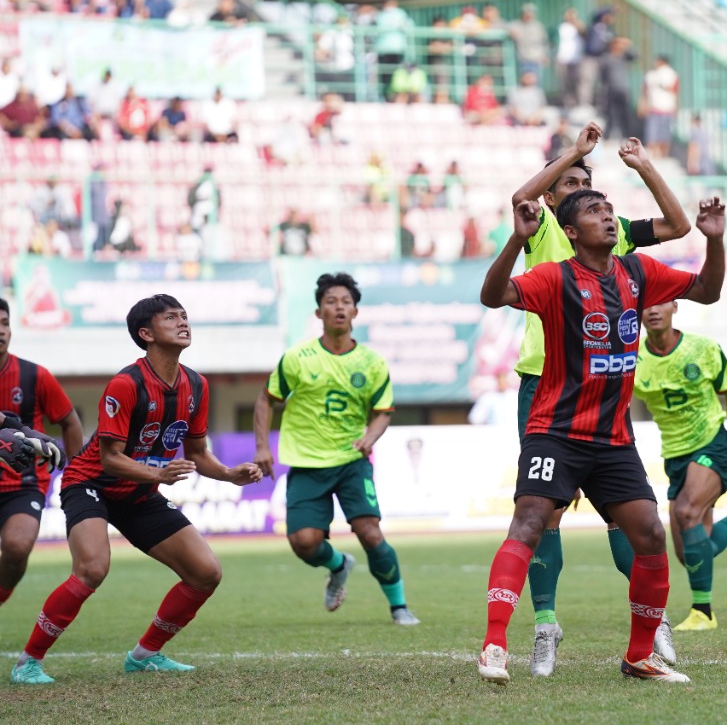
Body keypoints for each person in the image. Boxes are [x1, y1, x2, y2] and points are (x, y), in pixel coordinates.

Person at [476, 191, 726, 685]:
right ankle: (494, 646)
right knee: (529, 523)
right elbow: (492, 295)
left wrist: (715, 242)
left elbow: (706, 291)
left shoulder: (637, 272)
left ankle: (640, 656)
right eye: (594, 212)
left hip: (613, 440)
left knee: (651, 535)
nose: (608, 217)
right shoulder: (555, 277)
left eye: (609, 210)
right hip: (556, 433)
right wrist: (516, 240)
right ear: (570, 232)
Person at [508, 122, 693, 677]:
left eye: (588, 184)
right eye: (567, 184)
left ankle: (651, 619)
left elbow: (680, 226)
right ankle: (546, 625)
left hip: (603, 394)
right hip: (543, 386)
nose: (579, 190)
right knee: (543, 517)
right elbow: (522, 198)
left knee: (628, 518)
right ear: (551, 198)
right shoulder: (540, 230)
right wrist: (573, 153)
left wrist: (643, 167)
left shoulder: (616, 240)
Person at [9, 295, 263, 684]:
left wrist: (230, 474)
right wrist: (158, 475)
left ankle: (145, 655)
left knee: (206, 572)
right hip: (91, 483)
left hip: (139, 491)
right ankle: (28, 661)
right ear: (146, 334)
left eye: (184, 316)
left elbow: (197, 453)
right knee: (92, 568)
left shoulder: (196, 384)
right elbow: (110, 459)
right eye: (171, 318)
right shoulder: (126, 384)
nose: (182, 322)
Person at [253, 273, 417, 625]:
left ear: (355, 311)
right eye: (331, 301)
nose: (338, 307)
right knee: (304, 542)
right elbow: (266, 399)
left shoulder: (372, 363)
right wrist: (262, 447)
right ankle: (339, 565)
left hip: (351, 462)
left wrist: (371, 436)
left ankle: (399, 607)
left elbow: (383, 411)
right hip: (307, 464)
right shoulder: (298, 357)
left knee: (370, 533)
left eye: (345, 301)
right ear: (318, 312)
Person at [633, 300, 727, 630]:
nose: (653, 310)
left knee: (686, 512)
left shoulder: (703, 349)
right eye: (646, 304)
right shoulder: (632, 359)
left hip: (713, 445)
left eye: (661, 302)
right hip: (675, 457)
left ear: (675, 307)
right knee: (691, 553)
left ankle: (703, 612)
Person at [0, 299, 84, 613]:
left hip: (24, 482)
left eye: (5, 323)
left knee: (17, 546)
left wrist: (75, 476)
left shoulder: (34, 375)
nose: (1, 331)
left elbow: (70, 421)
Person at [640, 55, 679, 158]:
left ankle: (662, 153)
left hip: (666, 108)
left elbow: (674, 91)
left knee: (663, 133)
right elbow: (645, 91)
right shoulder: (651, 75)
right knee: (654, 133)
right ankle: (655, 153)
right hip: (655, 108)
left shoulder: (671, 74)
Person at [600, 37, 636, 141]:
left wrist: (629, 45)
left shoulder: (624, 57)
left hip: (623, 89)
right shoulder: (607, 58)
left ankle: (627, 135)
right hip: (611, 89)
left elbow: (635, 55)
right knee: (610, 113)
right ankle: (607, 136)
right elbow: (603, 75)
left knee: (625, 113)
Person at [508, 3, 549, 79]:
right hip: (523, 60)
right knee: (525, 83)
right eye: (526, 13)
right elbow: (505, 28)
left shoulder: (538, 26)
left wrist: (545, 55)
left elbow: (544, 42)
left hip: (537, 60)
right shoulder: (516, 25)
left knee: (537, 83)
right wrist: (510, 32)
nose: (528, 15)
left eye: (531, 13)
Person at [554, 7, 584, 109]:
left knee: (576, 82)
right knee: (564, 82)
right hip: (563, 59)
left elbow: (585, 35)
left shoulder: (579, 27)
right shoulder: (561, 27)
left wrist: (578, 26)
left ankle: (578, 102)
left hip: (576, 59)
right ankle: (566, 102)